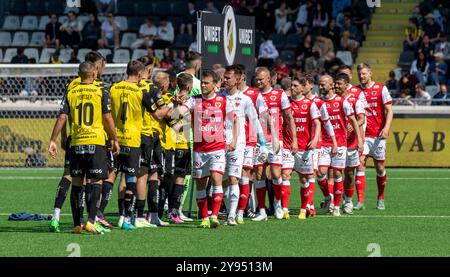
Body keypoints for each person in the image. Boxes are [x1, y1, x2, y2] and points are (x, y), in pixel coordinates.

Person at [48, 62, 120, 234]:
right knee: (96, 181)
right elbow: (107, 117)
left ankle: (77, 224)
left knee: (77, 182)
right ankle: (91, 221)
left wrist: (52, 139)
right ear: (94, 74)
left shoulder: (71, 91)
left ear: (79, 74)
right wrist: (114, 138)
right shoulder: (101, 90)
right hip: (96, 141)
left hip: (78, 142)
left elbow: (62, 117)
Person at [174, 70, 239, 228]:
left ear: (215, 84)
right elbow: (177, 114)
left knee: (217, 180)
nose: (203, 85)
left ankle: (214, 216)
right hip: (199, 150)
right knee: (201, 185)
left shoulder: (223, 101)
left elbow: (235, 121)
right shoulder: (194, 100)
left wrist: (234, 141)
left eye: (206, 83)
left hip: (217, 148)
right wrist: (177, 105)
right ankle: (204, 218)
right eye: (202, 82)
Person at [109, 60, 161, 230]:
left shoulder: (114, 88)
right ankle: (126, 218)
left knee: (116, 177)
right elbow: (159, 115)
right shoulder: (141, 91)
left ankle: (107, 216)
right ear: (139, 74)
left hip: (116, 139)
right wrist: (174, 105)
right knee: (132, 178)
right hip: (132, 140)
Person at [220, 65, 267, 225]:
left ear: (238, 79)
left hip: (239, 144)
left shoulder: (245, 99)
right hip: (219, 145)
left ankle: (234, 214)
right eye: (224, 77)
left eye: (228, 78)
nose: (224, 80)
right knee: (221, 181)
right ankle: (229, 210)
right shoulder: (219, 97)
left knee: (235, 178)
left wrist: (263, 144)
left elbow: (255, 121)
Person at [252, 67, 296, 221]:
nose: (258, 82)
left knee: (277, 174)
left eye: (261, 79)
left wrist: (294, 140)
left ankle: (278, 203)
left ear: (269, 79)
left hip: (275, 140)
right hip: (257, 140)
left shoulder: (279, 94)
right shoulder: (253, 95)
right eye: (256, 79)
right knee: (259, 174)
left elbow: (289, 117)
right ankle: (262, 211)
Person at [317, 75, 362, 216]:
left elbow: (355, 121)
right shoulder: (318, 103)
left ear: (330, 85)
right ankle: (328, 198)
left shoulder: (342, 102)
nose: (320, 87)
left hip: (342, 143)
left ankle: (340, 205)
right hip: (324, 143)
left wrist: (360, 139)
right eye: (319, 84)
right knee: (320, 172)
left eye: (323, 84)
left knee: (340, 173)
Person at [357, 63, 394, 210]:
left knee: (379, 168)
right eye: (360, 73)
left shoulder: (381, 89)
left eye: (364, 73)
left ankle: (381, 198)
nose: (362, 76)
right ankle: (360, 201)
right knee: (359, 164)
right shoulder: (356, 91)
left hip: (378, 135)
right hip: (363, 136)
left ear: (370, 73)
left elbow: (389, 110)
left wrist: (386, 127)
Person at [286, 75, 322, 219]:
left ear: (302, 88)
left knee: (306, 178)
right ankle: (282, 208)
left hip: (305, 147)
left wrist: (314, 140)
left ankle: (307, 206)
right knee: (284, 175)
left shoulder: (310, 104)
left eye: (295, 86)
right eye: (291, 85)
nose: (292, 88)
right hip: (288, 146)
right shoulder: (286, 103)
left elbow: (318, 124)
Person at [334, 73, 365, 215]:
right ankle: (334, 201)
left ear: (346, 85)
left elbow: (362, 119)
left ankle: (348, 201)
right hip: (336, 143)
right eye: (335, 83)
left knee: (350, 174)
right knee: (335, 172)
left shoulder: (355, 101)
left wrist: (354, 125)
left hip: (351, 143)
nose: (336, 86)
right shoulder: (331, 100)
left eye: (339, 84)